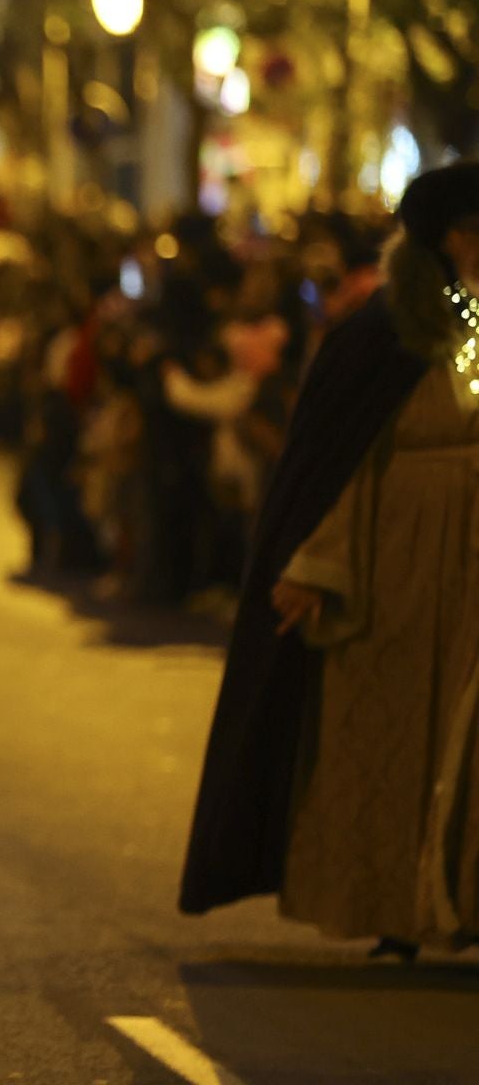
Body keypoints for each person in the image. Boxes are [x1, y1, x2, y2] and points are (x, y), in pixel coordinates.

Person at [180, 161, 479, 957]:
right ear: (454, 237)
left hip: (474, 566)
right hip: (395, 570)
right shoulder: (384, 332)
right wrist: (315, 565)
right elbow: (342, 468)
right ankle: (393, 910)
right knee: (391, 736)